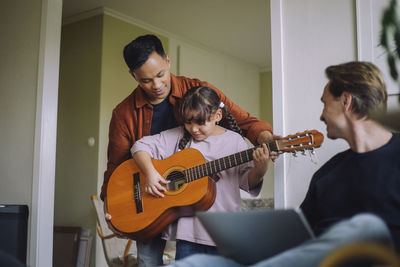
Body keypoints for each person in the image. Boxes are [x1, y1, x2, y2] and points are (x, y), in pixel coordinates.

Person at [165, 61, 400, 266]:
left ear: (346, 101)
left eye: (325, 103)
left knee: (365, 227)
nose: (321, 115)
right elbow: (299, 240)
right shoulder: (327, 175)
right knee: (196, 263)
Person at [101, 34, 275, 266]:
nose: (156, 85)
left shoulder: (198, 92)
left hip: (190, 210)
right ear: (133, 75)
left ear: (168, 62)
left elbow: (244, 122)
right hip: (149, 201)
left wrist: (267, 142)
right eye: (145, 80)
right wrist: (113, 211)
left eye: (160, 75)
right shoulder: (123, 114)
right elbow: (115, 166)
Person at [132, 86, 270, 260]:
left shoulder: (235, 141)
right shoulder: (179, 136)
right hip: (188, 235)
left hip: (225, 233)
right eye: (188, 122)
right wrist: (150, 173)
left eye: (200, 122)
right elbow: (139, 146)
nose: (194, 129)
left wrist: (260, 168)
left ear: (218, 116)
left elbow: (246, 181)